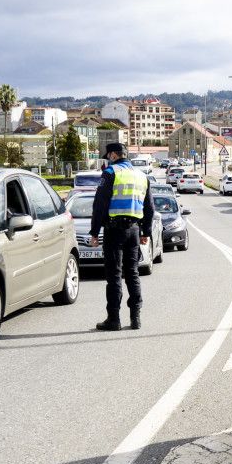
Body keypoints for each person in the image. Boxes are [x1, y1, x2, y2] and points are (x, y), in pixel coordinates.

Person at [90, 142, 154, 331]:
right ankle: (136, 318)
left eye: (108, 156)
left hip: (114, 230)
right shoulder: (142, 176)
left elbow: (99, 205)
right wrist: (146, 232)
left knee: (114, 276)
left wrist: (94, 232)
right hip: (134, 230)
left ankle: (114, 319)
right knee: (132, 274)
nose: (108, 159)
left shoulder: (111, 173)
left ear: (113, 155)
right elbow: (149, 207)